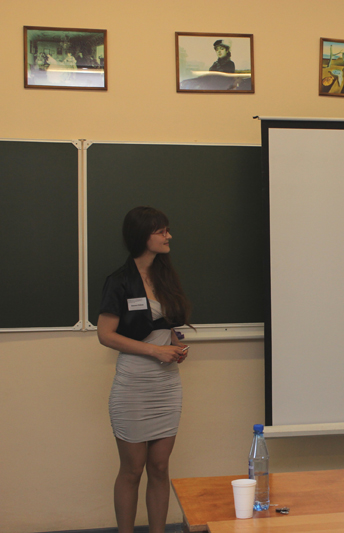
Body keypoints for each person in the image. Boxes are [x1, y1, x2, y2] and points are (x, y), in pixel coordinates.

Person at [97, 206, 192, 533]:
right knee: (132, 470)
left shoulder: (166, 277)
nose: (169, 236)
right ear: (142, 236)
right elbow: (105, 335)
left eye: (167, 230)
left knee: (160, 467)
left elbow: (166, 325)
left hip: (166, 387)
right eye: (161, 231)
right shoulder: (119, 281)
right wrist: (155, 350)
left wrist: (174, 343)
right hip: (133, 386)